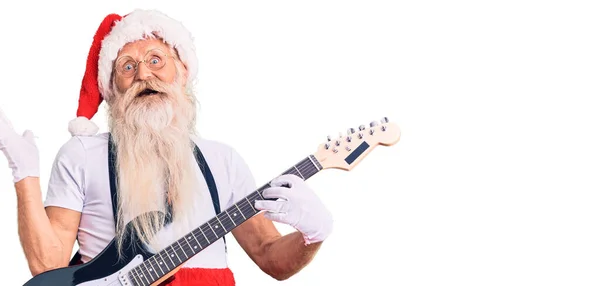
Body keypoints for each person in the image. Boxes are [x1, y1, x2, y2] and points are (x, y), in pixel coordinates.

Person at [0, 9, 333, 285]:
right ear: (113, 88)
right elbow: (49, 266)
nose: (144, 73)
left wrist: (313, 233)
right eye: (127, 66)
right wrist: (25, 174)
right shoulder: (82, 155)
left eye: (156, 59)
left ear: (182, 71)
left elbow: (270, 256)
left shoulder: (223, 160)